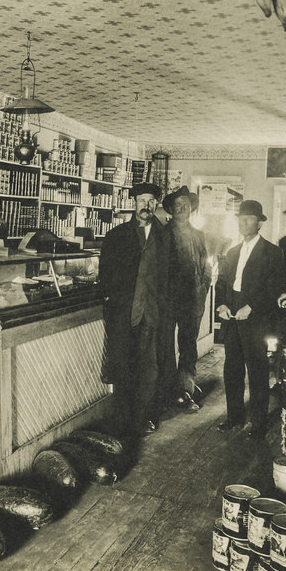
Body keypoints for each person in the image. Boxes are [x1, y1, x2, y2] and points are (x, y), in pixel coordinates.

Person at [99, 182, 170, 438]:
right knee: (122, 367)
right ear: (134, 203)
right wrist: (111, 302)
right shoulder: (116, 236)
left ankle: (146, 416)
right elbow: (104, 274)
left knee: (150, 369)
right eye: (142, 201)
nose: (146, 206)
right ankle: (123, 419)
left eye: (152, 202)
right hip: (124, 313)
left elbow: (172, 277)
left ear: (156, 205)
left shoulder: (166, 237)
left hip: (153, 314)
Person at [215, 199, 283, 438]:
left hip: (255, 319)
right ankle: (234, 418)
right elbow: (222, 282)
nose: (244, 223)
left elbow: (273, 288)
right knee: (231, 370)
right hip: (232, 315)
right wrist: (221, 304)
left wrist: (252, 306)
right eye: (241, 219)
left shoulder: (272, 252)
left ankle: (258, 423)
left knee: (257, 371)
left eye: (250, 219)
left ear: (259, 223)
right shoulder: (232, 252)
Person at [162, 186, 212, 413]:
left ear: (191, 208)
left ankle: (186, 390)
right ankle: (167, 391)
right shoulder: (161, 234)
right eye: (177, 205)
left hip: (192, 300)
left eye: (186, 205)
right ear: (171, 209)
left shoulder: (199, 235)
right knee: (163, 345)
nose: (182, 209)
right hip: (166, 300)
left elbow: (206, 266)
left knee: (188, 346)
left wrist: (203, 288)